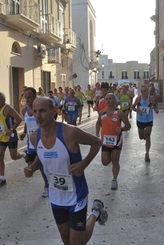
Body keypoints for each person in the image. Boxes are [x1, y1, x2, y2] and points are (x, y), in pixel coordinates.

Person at [24, 97, 108, 245]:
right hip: (55, 194)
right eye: (35, 111)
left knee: (77, 243)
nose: (37, 116)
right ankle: (96, 212)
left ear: (54, 111)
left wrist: (83, 164)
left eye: (42, 111)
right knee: (66, 239)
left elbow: (97, 142)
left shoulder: (70, 132)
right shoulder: (34, 137)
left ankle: (95, 213)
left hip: (76, 194)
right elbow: (41, 156)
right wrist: (32, 167)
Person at [0, 92, 24, 188]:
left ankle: (24, 154)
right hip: (0, 137)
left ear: (4, 99)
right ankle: (2, 178)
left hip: (11, 136)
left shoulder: (8, 109)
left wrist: (11, 129)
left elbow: (19, 119)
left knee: (14, 157)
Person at [18, 87, 49, 197]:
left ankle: (47, 185)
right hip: (30, 143)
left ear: (35, 96)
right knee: (31, 167)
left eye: (30, 97)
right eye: (26, 97)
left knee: (40, 166)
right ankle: (48, 177)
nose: (27, 99)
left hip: (42, 143)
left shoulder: (40, 110)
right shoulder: (25, 110)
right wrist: (24, 132)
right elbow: (27, 122)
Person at [97, 93, 131, 190]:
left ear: (115, 100)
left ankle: (114, 180)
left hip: (117, 141)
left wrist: (122, 129)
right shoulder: (102, 113)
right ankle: (112, 158)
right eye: (106, 99)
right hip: (105, 141)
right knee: (105, 162)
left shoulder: (119, 112)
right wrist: (96, 135)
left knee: (115, 161)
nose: (108, 100)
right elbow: (98, 123)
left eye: (110, 99)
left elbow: (128, 125)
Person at [131, 85, 159, 162]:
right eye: (142, 91)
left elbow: (155, 105)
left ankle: (147, 153)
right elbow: (132, 107)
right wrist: (137, 110)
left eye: (144, 91)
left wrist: (156, 109)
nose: (143, 92)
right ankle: (145, 137)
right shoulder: (138, 99)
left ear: (147, 91)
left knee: (148, 135)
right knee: (141, 137)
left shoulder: (151, 98)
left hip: (149, 119)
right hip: (140, 119)